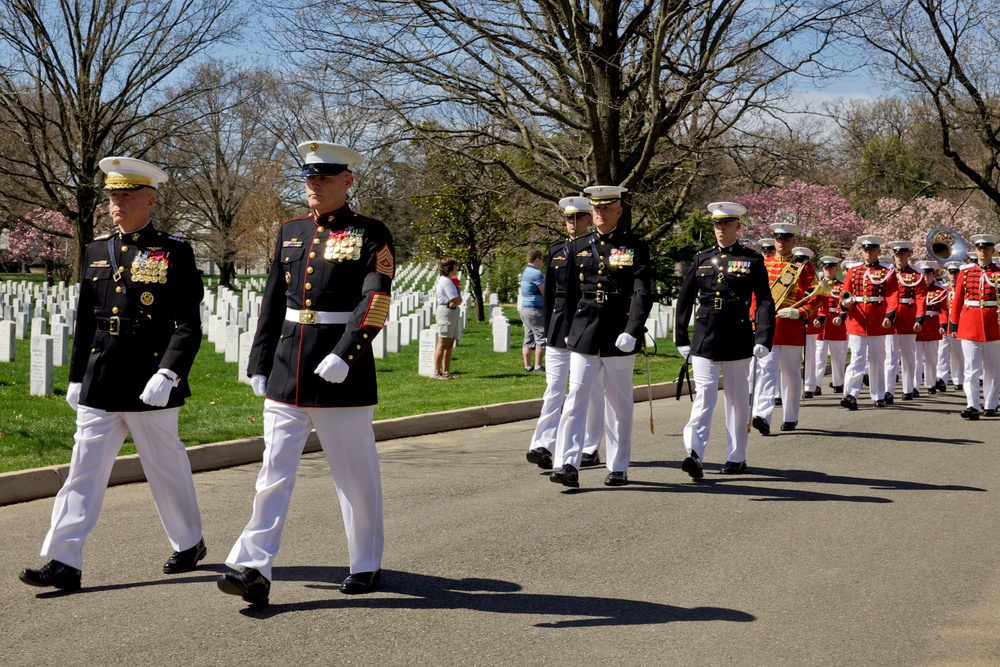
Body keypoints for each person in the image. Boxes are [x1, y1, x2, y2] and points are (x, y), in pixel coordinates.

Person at [218, 141, 394, 607]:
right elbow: (273, 301)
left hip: (341, 371)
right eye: (309, 178)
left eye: (324, 178)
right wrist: (258, 362)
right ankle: (252, 566)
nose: (313, 186)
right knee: (272, 474)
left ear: (347, 181)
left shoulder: (371, 233)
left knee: (354, 476)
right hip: (288, 367)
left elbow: (374, 300)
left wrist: (347, 353)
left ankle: (364, 562)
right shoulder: (291, 231)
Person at [19, 157, 206, 591]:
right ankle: (63, 559)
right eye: (112, 197)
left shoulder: (173, 250)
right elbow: (87, 318)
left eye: (126, 196)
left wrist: (169, 372)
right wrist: (75, 375)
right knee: (83, 469)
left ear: (150, 199)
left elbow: (187, 322)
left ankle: (189, 541)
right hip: (102, 373)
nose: (116, 204)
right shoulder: (97, 249)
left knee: (165, 467)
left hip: (149, 376)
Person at [549, 185, 652, 488]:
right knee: (575, 399)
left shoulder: (634, 246)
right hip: (584, 333)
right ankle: (567, 463)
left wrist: (633, 330)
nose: (600, 213)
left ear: (619, 211)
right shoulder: (577, 245)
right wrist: (569, 332)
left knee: (619, 404)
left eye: (606, 208)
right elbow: (568, 294)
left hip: (619, 333)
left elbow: (642, 292)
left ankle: (618, 466)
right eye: (596, 208)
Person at [674, 202, 775, 477]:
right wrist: (681, 337)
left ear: (737, 226)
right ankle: (694, 454)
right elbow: (684, 301)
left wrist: (764, 338)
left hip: (737, 332)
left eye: (726, 223)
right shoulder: (701, 258)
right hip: (705, 334)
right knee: (704, 396)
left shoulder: (752, 260)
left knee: (737, 398)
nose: (721, 229)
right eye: (717, 224)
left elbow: (765, 301)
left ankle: (736, 455)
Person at [526, 197, 604, 470]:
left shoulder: (599, 249)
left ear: (588, 219)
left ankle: (590, 446)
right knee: (555, 387)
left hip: (587, 323)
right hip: (560, 325)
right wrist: (548, 330)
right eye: (568, 218)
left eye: (578, 218)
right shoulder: (556, 251)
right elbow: (549, 299)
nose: (572, 223)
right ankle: (543, 445)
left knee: (589, 390)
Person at [750, 224, 822, 434]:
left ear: (792, 241)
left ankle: (790, 416)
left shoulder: (803, 266)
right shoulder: (763, 264)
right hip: (768, 327)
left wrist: (800, 313)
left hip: (791, 325)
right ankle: (762, 415)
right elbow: (755, 295)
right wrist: (754, 317)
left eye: (785, 239)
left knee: (790, 372)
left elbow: (817, 295)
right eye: (777, 239)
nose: (781, 242)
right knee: (766, 370)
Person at [838, 235, 898, 410]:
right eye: (866, 250)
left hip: (878, 319)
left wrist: (889, 315)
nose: (868, 253)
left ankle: (878, 395)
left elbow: (892, 294)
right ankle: (850, 394)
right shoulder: (853, 270)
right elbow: (845, 292)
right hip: (857, 319)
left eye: (872, 249)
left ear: (878, 251)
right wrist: (844, 304)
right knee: (857, 357)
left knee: (877, 359)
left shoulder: (887, 270)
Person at [948, 234, 1000, 420]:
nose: (983, 250)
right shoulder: (966, 271)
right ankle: (972, 405)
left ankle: (991, 404)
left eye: (986, 247)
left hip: (994, 324)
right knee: (971, 369)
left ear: (992, 250)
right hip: (969, 324)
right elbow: (958, 300)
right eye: (979, 247)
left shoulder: (999, 271)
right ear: (975, 250)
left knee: (993, 369)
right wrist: (953, 324)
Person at [882, 241, 927, 402]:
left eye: (903, 254)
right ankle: (889, 390)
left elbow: (921, 297)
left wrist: (919, 318)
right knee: (890, 357)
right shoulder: (886, 273)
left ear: (909, 254)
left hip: (909, 318)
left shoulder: (917, 274)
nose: (899, 257)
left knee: (908, 356)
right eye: (897, 254)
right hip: (892, 319)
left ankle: (908, 389)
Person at [813, 256, 848, 393]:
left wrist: (841, 316)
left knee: (838, 357)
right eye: (826, 267)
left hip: (837, 324)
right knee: (818, 356)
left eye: (831, 267)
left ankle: (839, 383)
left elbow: (846, 304)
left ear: (836, 269)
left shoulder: (843, 285)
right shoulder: (817, 286)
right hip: (820, 325)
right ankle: (816, 385)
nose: (828, 270)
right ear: (823, 269)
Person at [915, 260, 946, 394]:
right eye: (923, 273)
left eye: (928, 273)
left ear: (934, 275)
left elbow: (944, 310)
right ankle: (914, 386)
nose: (926, 276)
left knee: (931, 358)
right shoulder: (914, 288)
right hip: (917, 326)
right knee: (916, 359)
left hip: (932, 326)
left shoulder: (940, 290)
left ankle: (931, 383)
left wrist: (943, 324)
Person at [433, 258, 462, 379]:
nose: (457, 268)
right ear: (449, 268)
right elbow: (455, 299)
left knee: (450, 343)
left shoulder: (448, 281)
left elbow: (457, 300)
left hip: (452, 312)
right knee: (443, 342)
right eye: (455, 266)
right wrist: (458, 297)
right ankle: (436, 372)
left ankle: (446, 371)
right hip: (446, 312)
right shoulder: (446, 282)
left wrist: (458, 297)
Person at [520, 249, 547, 372]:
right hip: (535, 309)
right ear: (537, 259)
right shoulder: (537, 274)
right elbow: (544, 292)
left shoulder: (526, 271)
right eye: (541, 259)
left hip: (525, 308)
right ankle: (538, 365)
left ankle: (527, 365)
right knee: (541, 336)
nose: (542, 262)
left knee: (528, 338)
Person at [941, 261, 964, 391]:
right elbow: (942, 308)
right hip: (945, 324)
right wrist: (943, 323)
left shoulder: (963, 289)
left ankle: (958, 379)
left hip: (959, 324)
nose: (953, 275)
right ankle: (941, 379)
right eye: (951, 272)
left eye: (956, 272)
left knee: (957, 354)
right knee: (942, 352)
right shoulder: (944, 289)